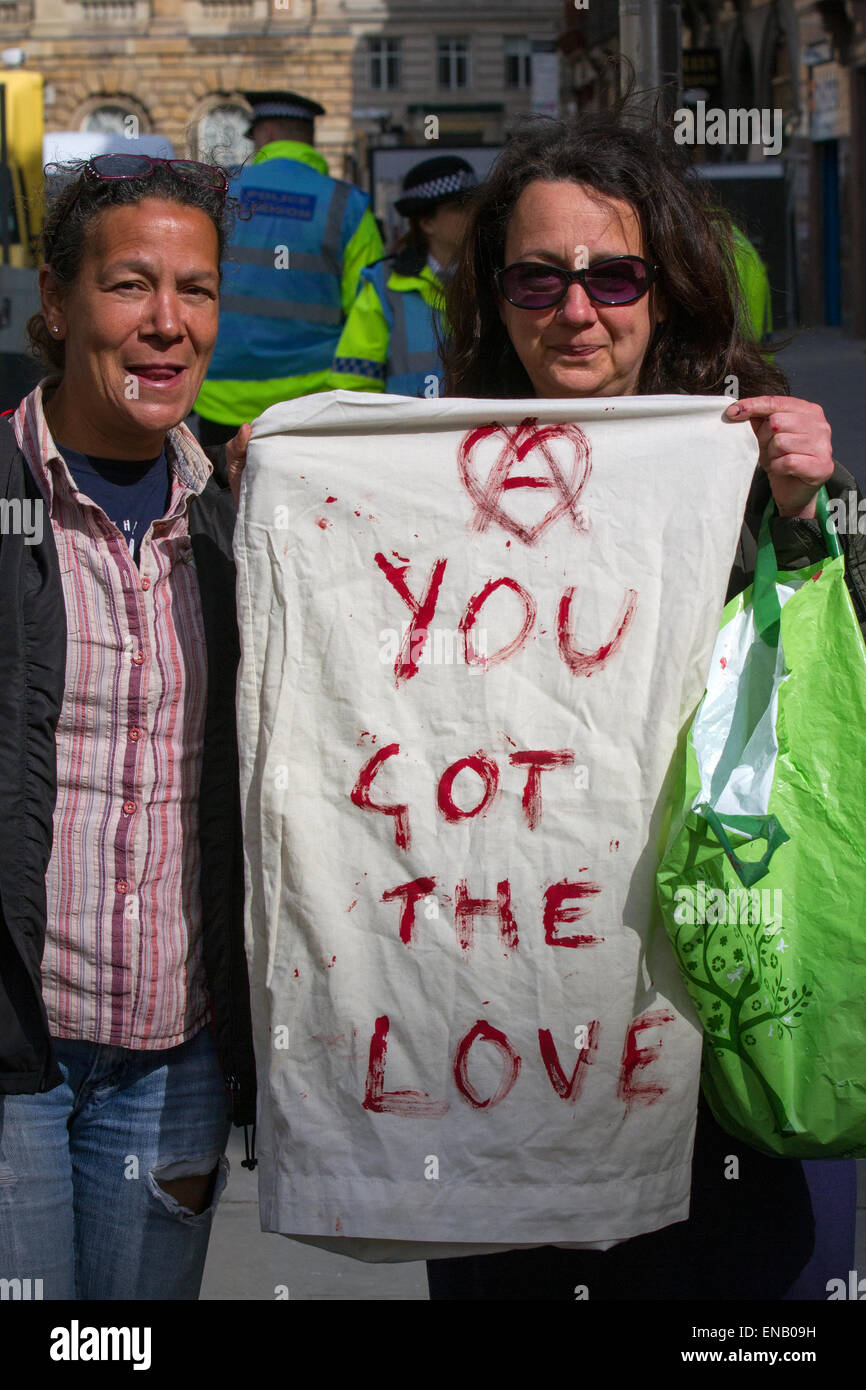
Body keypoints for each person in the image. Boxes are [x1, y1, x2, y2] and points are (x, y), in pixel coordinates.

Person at [425, 111, 866, 1301]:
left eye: (612, 274)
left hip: (706, 1016)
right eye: (536, 276)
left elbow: (834, 690)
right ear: (492, 292)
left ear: (662, 288)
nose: (576, 310)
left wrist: (803, 519)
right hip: (502, 1028)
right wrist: (277, 504)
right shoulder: (422, 471)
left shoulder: (745, 459)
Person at [0, 153, 255, 1300]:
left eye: (195, 290)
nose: (166, 324)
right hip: (14, 1054)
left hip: (172, 1061)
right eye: (129, 286)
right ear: (55, 302)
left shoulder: (243, 515)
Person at [194, 90, 384, 444]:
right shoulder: (348, 205)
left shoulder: (220, 193)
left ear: (265, 133)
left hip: (218, 398)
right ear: (308, 136)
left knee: (222, 500)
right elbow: (368, 308)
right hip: (312, 402)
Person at [330, 155, 475, 397]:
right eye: (458, 207)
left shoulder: (499, 279)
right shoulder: (384, 286)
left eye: (474, 204)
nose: (472, 213)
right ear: (427, 222)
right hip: (408, 434)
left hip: (487, 433)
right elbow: (354, 386)